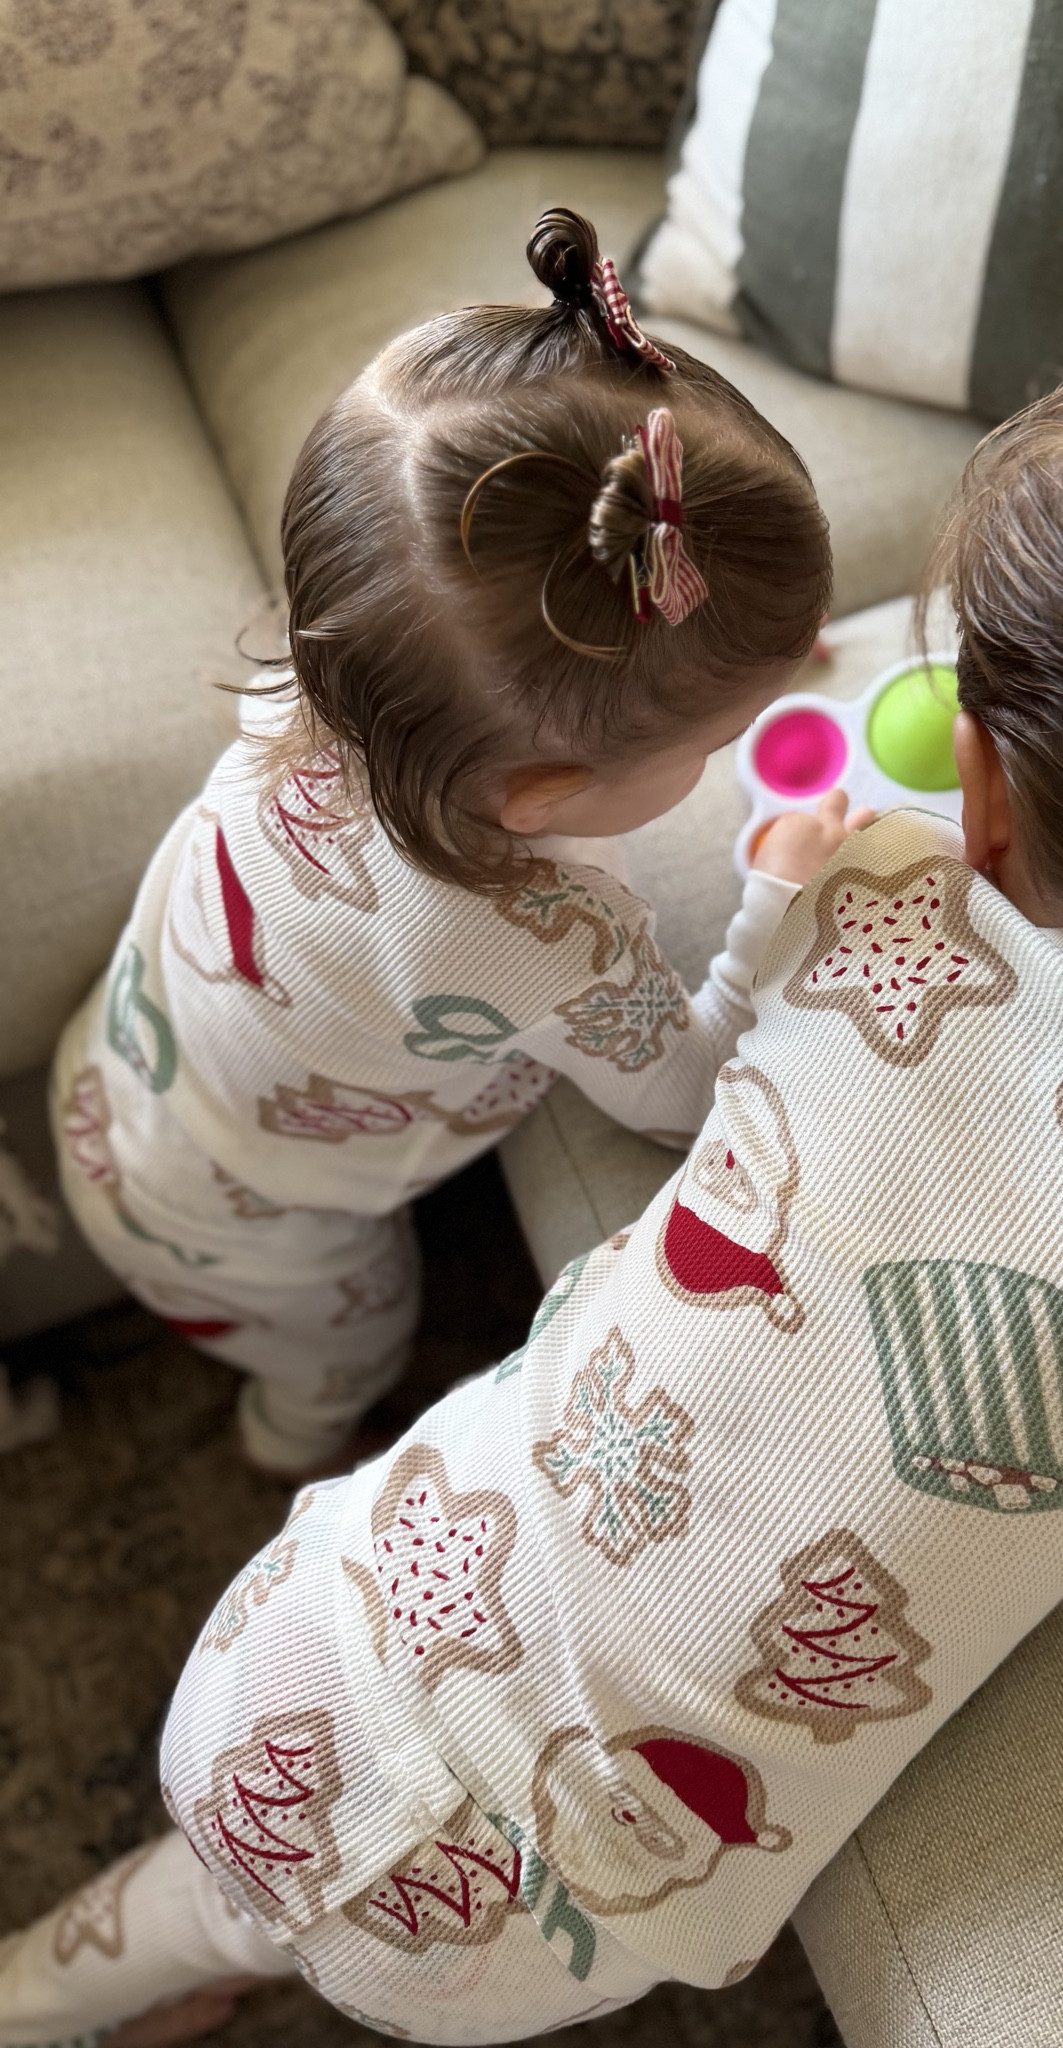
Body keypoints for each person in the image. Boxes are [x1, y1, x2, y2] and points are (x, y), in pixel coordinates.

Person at [1, 334, 1063, 2047]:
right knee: (316, 1914)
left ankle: (83, 1971)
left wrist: (823, 876)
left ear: (979, 778)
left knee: (221, 1872)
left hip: (319, 1635)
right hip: (561, 1907)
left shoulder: (867, 890)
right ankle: (252, 1940)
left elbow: (783, 1044)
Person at [45, 208, 854, 1479]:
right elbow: (685, 1097)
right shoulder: (553, 937)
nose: (724, 747)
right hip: (256, 1234)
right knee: (353, 1346)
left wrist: (705, 663)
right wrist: (777, 890)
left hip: (110, 1071)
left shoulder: (309, 682)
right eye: (713, 736)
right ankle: (294, 1443)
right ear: (538, 794)